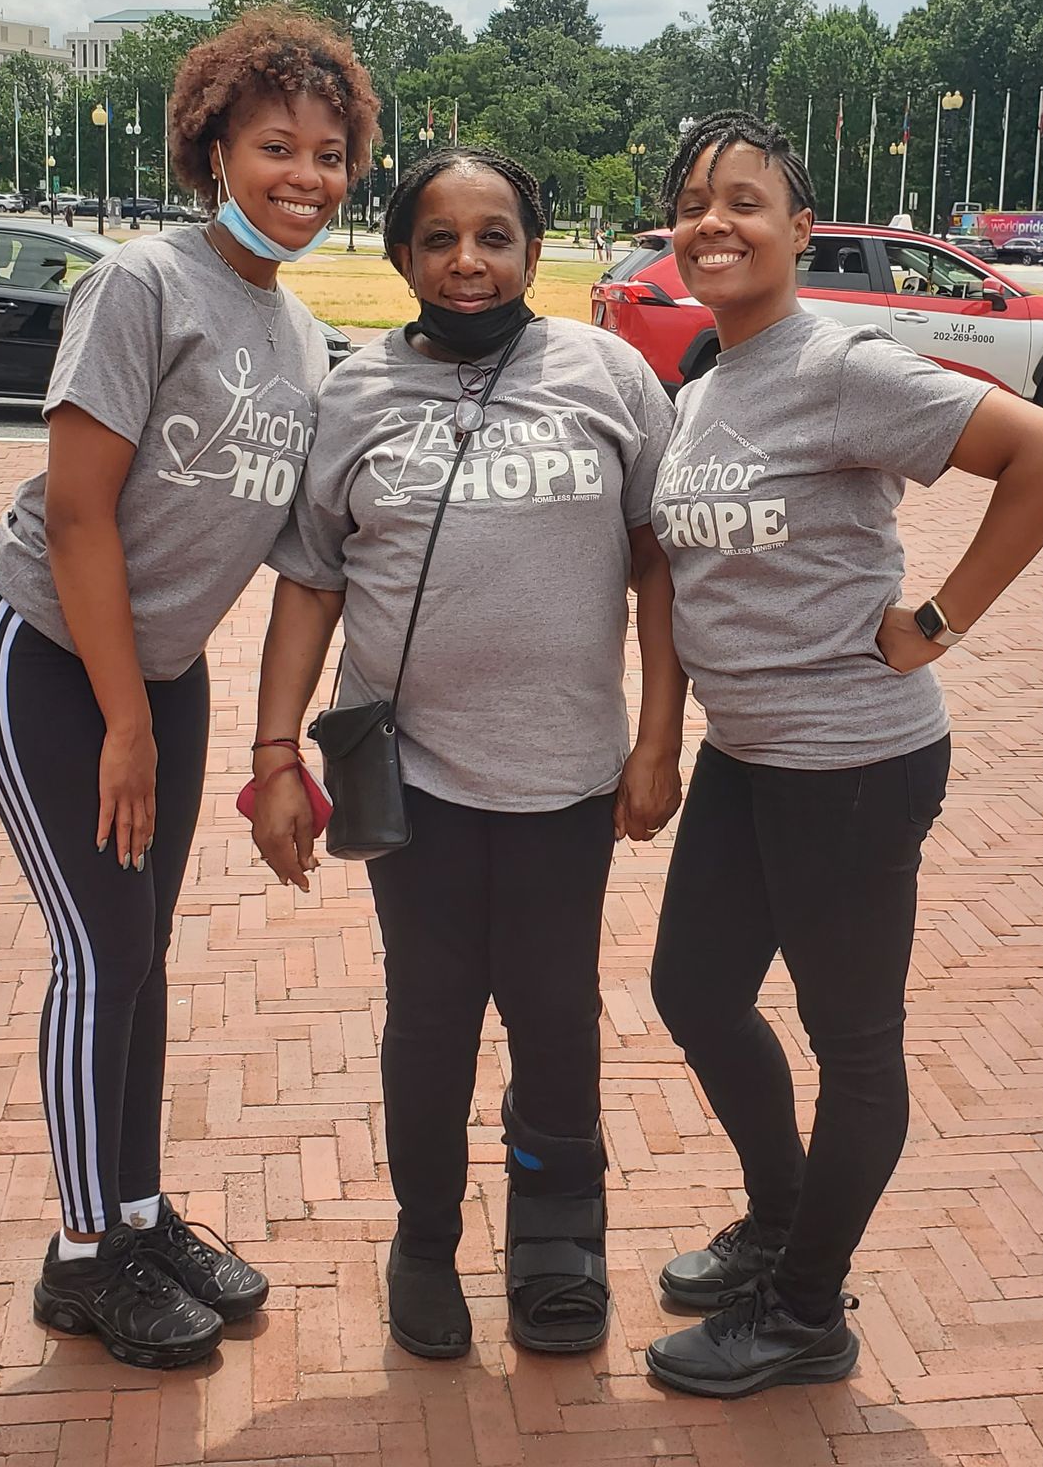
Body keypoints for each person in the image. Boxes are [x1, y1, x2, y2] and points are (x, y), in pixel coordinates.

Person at [0, 8, 378, 1369]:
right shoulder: (143, 287)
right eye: (273, 146)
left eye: (326, 152)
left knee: (146, 950)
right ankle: (83, 1260)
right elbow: (78, 518)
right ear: (214, 148)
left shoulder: (304, 338)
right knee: (101, 949)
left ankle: (135, 1209)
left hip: (162, 675)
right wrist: (124, 721)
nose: (302, 175)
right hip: (41, 647)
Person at [642, 111, 1043, 1399]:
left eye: (745, 201)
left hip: (853, 760)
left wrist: (939, 620)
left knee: (854, 1044)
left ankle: (802, 1310)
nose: (713, 221)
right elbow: (679, 576)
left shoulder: (842, 365)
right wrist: (664, 737)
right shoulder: (708, 382)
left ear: (798, 228)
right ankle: (780, 1218)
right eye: (693, 203)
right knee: (693, 991)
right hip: (749, 754)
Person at [252, 145, 683, 1361]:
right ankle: (425, 1237)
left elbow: (659, 565)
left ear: (534, 251)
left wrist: (660, 735)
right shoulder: (355, 395)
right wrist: (276, 752)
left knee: (553, 1011)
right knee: (432, 1015)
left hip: (567, 775)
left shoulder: (609, 375)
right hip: (414, 779)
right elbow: (309, 583)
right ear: (400, 257)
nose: (468, 261)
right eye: (439, 239)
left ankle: (558, 1237)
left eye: (494, 236)